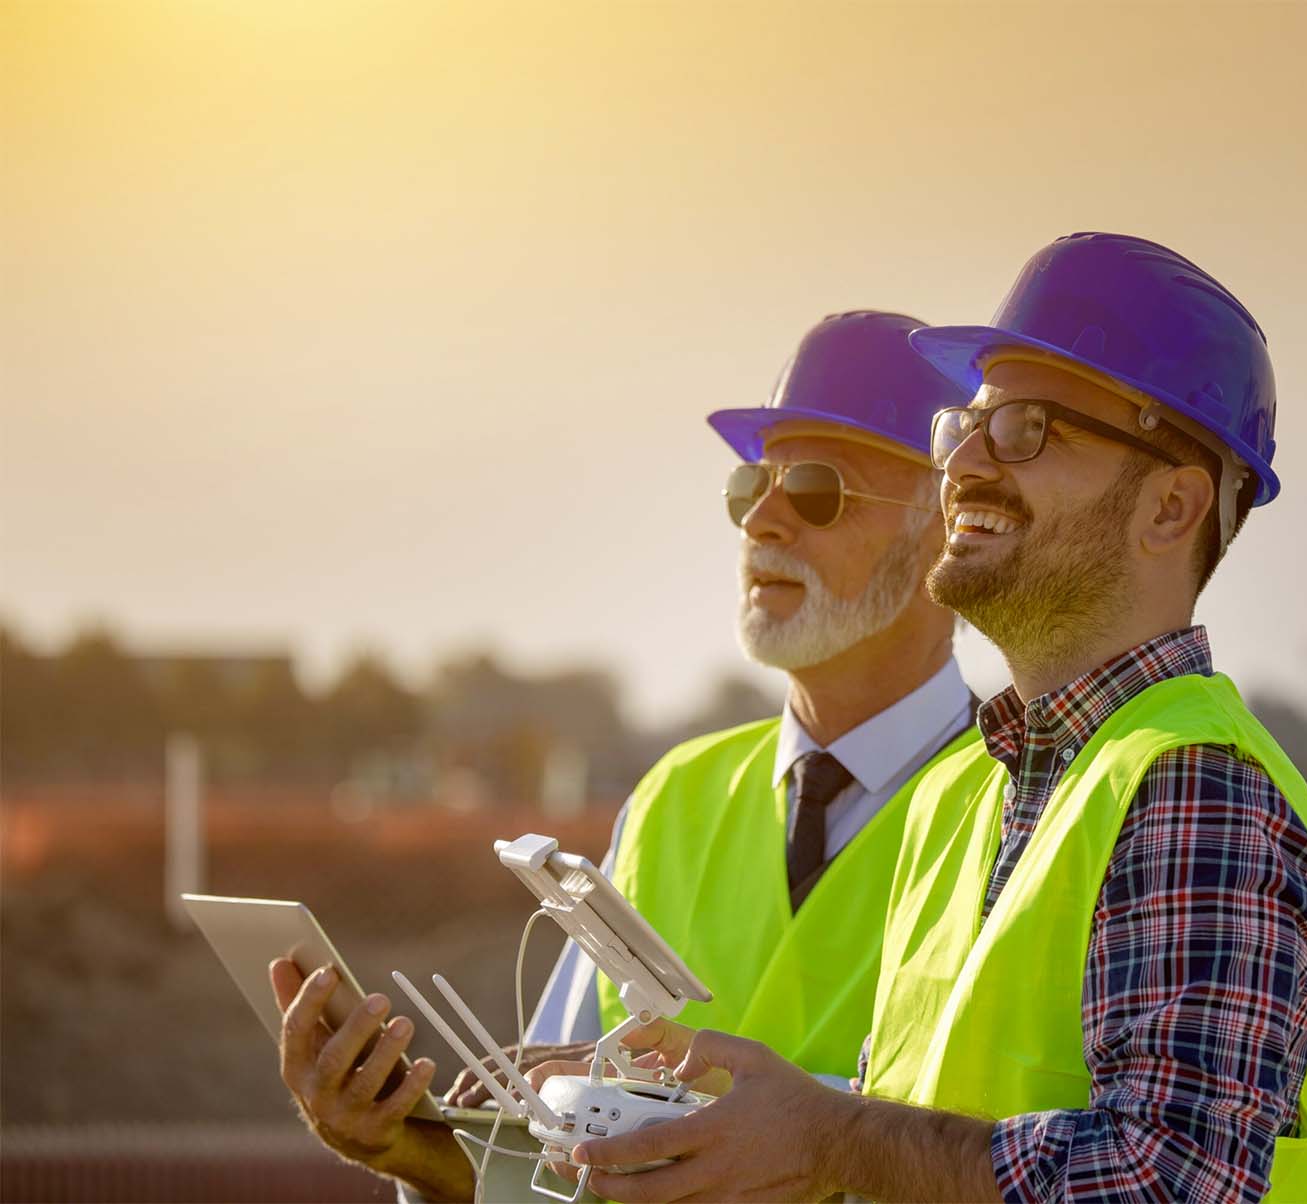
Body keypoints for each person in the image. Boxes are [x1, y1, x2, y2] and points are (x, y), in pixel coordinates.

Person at [549, 234, 1307, 1203]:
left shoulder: (1195, 783)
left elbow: (1167, 1185)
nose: (966, 465)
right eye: (969, 424)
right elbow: (897, 1151)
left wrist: (828, 1137)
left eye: (1028, 428)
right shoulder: (957, 797)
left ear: (1170, 506)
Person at [269, 309, 981, 1202]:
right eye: (747, 486)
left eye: (813, 488)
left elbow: (1032, 1155)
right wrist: (398, 1149)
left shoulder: (1027, 806)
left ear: (945, 526)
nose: (760, 518)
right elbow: (547, 1174)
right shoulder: (673, 797)